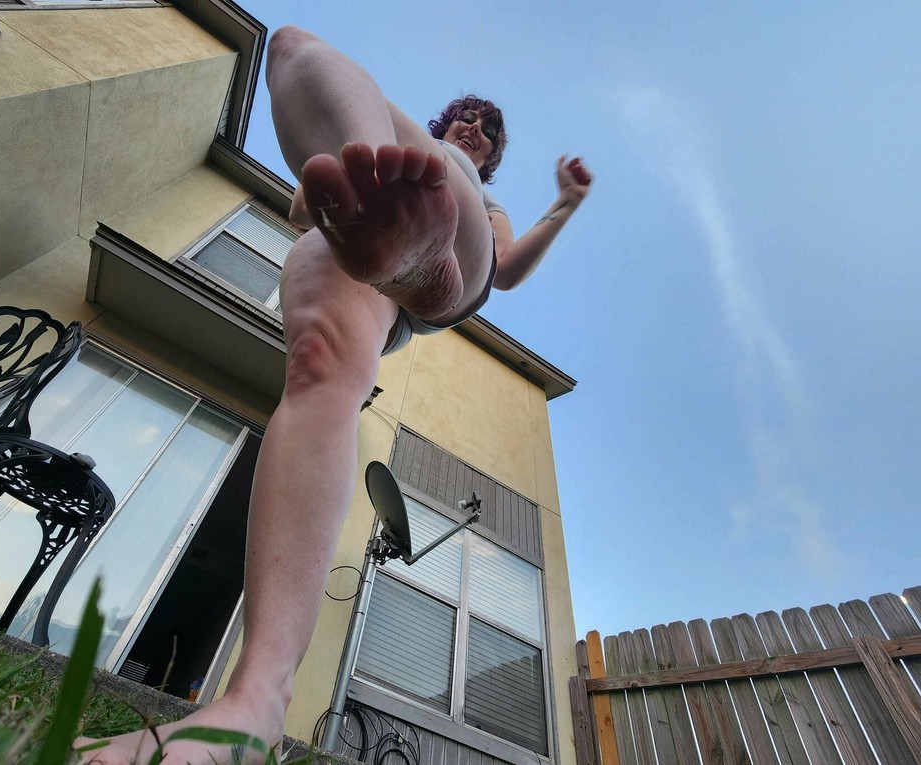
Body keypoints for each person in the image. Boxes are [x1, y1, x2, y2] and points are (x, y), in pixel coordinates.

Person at [76, 25, 591, 765]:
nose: (476, 128)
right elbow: (299, 206)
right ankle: (251, 709)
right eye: (468, 117)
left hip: (458, 245)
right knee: (290, 46)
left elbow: (504, 270)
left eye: (489, 129)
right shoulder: (383, 121)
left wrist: (563, 205)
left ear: (491, 153)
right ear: (448, 117)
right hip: (351, 237)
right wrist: (345, 172)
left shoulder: (483, 193)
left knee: (441, 179)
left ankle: (421, 262)